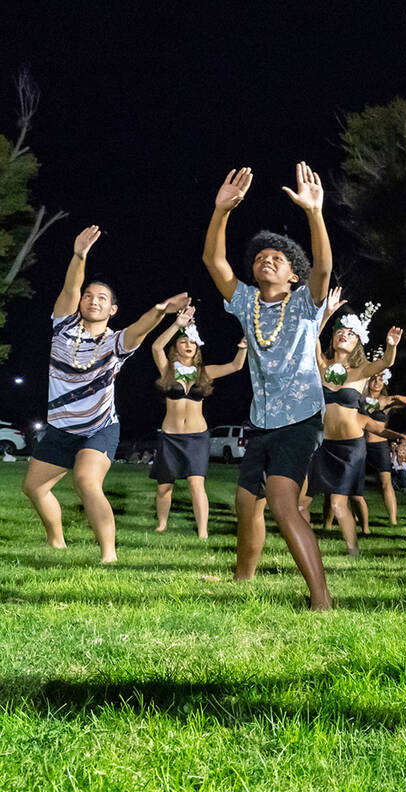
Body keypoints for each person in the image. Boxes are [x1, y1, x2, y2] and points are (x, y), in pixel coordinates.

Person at [202, 163, 335, 610]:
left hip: (300, 420)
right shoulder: (244, 303)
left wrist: (314, 214)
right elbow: (214, 261)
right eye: (261, 257)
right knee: (246, 502)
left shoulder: (306, 303)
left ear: (293, 276)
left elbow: (324, 268)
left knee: (282, 502)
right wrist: (221, 212)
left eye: (278, 259)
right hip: (261, 421)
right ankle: (243, 579)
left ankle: (321, 599)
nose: (268, 258)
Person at [22, 225, 190, 562]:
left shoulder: (116, 343)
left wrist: (160, 309)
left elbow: (141, 327)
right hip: (59, 428)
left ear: (112, 309)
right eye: (89, 296)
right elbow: (71, 286)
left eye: (102, 298)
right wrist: (79, 256)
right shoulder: (63, 327)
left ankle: (108, 556)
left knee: (87, 481)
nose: (93, 300)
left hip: (98, 427)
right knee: (34, 488)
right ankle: (56, 542)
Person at [301, 290, 404, 555]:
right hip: (322, 445)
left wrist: (391, 345)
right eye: (339, 332)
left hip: (349, 447)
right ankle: (305, 547)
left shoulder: (361, 371)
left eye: (350, 333)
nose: (343, 334)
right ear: (333, 339)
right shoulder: (322, 366)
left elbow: (386, 362)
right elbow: (311, 334)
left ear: (358, 341)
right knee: (302, 503)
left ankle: (353, 550)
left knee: (338, 504)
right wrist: (327, 313)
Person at [148, 305, 247, 538]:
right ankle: (162, 524)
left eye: (192, 342)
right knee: (164, 487)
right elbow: (155, 346)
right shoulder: (167, 369)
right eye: (183, 342)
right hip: (170, 436)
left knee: (196, 484)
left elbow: (236, 366)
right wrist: (177, 325)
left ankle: (202, 531)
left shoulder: (205, 372)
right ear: (177, 347)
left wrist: (242, 348)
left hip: (196, 437)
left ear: (198, 347)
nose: (188, 345)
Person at [361, 367, 406, 526]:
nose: (377, 382)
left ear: (384, 382)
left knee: (386, 482)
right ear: (368, 381)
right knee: (355, 483)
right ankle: (357, 517)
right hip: (360, 444)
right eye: (374, 379)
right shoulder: (360, 399)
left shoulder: (387, 400)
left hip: (379, 446)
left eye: (380, 380)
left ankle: (393, 520)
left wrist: (395, 396)